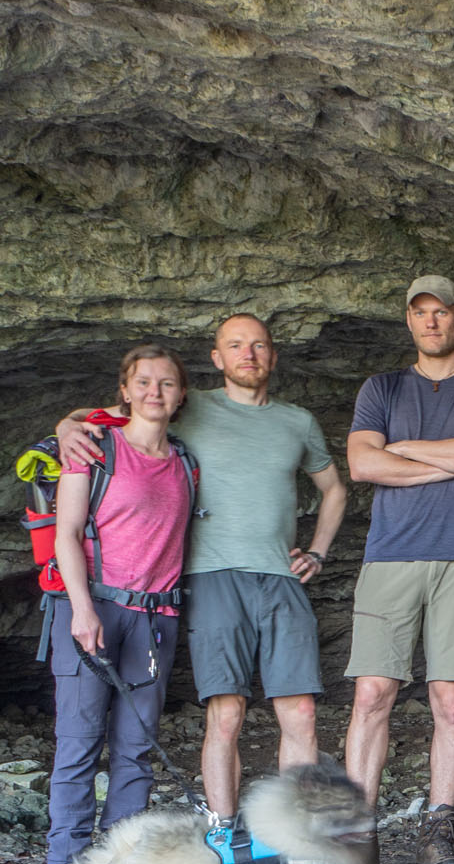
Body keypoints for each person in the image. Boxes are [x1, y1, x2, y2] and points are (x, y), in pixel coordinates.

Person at [56, 316, 348, 837]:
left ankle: (293, 836)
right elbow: (121, 410)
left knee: (301, 709)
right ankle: (224, 829)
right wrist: (67, 424)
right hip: (212, 577)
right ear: (217, 358)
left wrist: (320, 553)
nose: (249, 355)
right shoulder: (191, 409)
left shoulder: (297, 421)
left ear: (274, 356)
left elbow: (335, 488)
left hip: (280, 578)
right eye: (236, 346)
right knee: (227, 711)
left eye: (259, 346)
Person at [343, 276, 454, 864]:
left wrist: (406, 451)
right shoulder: (381, 388)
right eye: (421, 313)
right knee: (371, 695)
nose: (432, 322)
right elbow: (363, 464)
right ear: (408, 321)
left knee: (450, 701)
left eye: (442, 312)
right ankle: (357, 837)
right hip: (390, 557)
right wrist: (447, 455)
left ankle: (437, 836)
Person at [38, 345, 195, 864]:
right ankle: (67, 860)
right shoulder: (94, 449)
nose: (155, 392)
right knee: (79, 741)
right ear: (123, 392)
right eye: (144, 382)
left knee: (136, 747)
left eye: (167, 383)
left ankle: (118, 860)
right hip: (92, 607)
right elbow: (66, 532)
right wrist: (81, 609)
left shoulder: (185, 462)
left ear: (180, 396)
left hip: (156, 618)